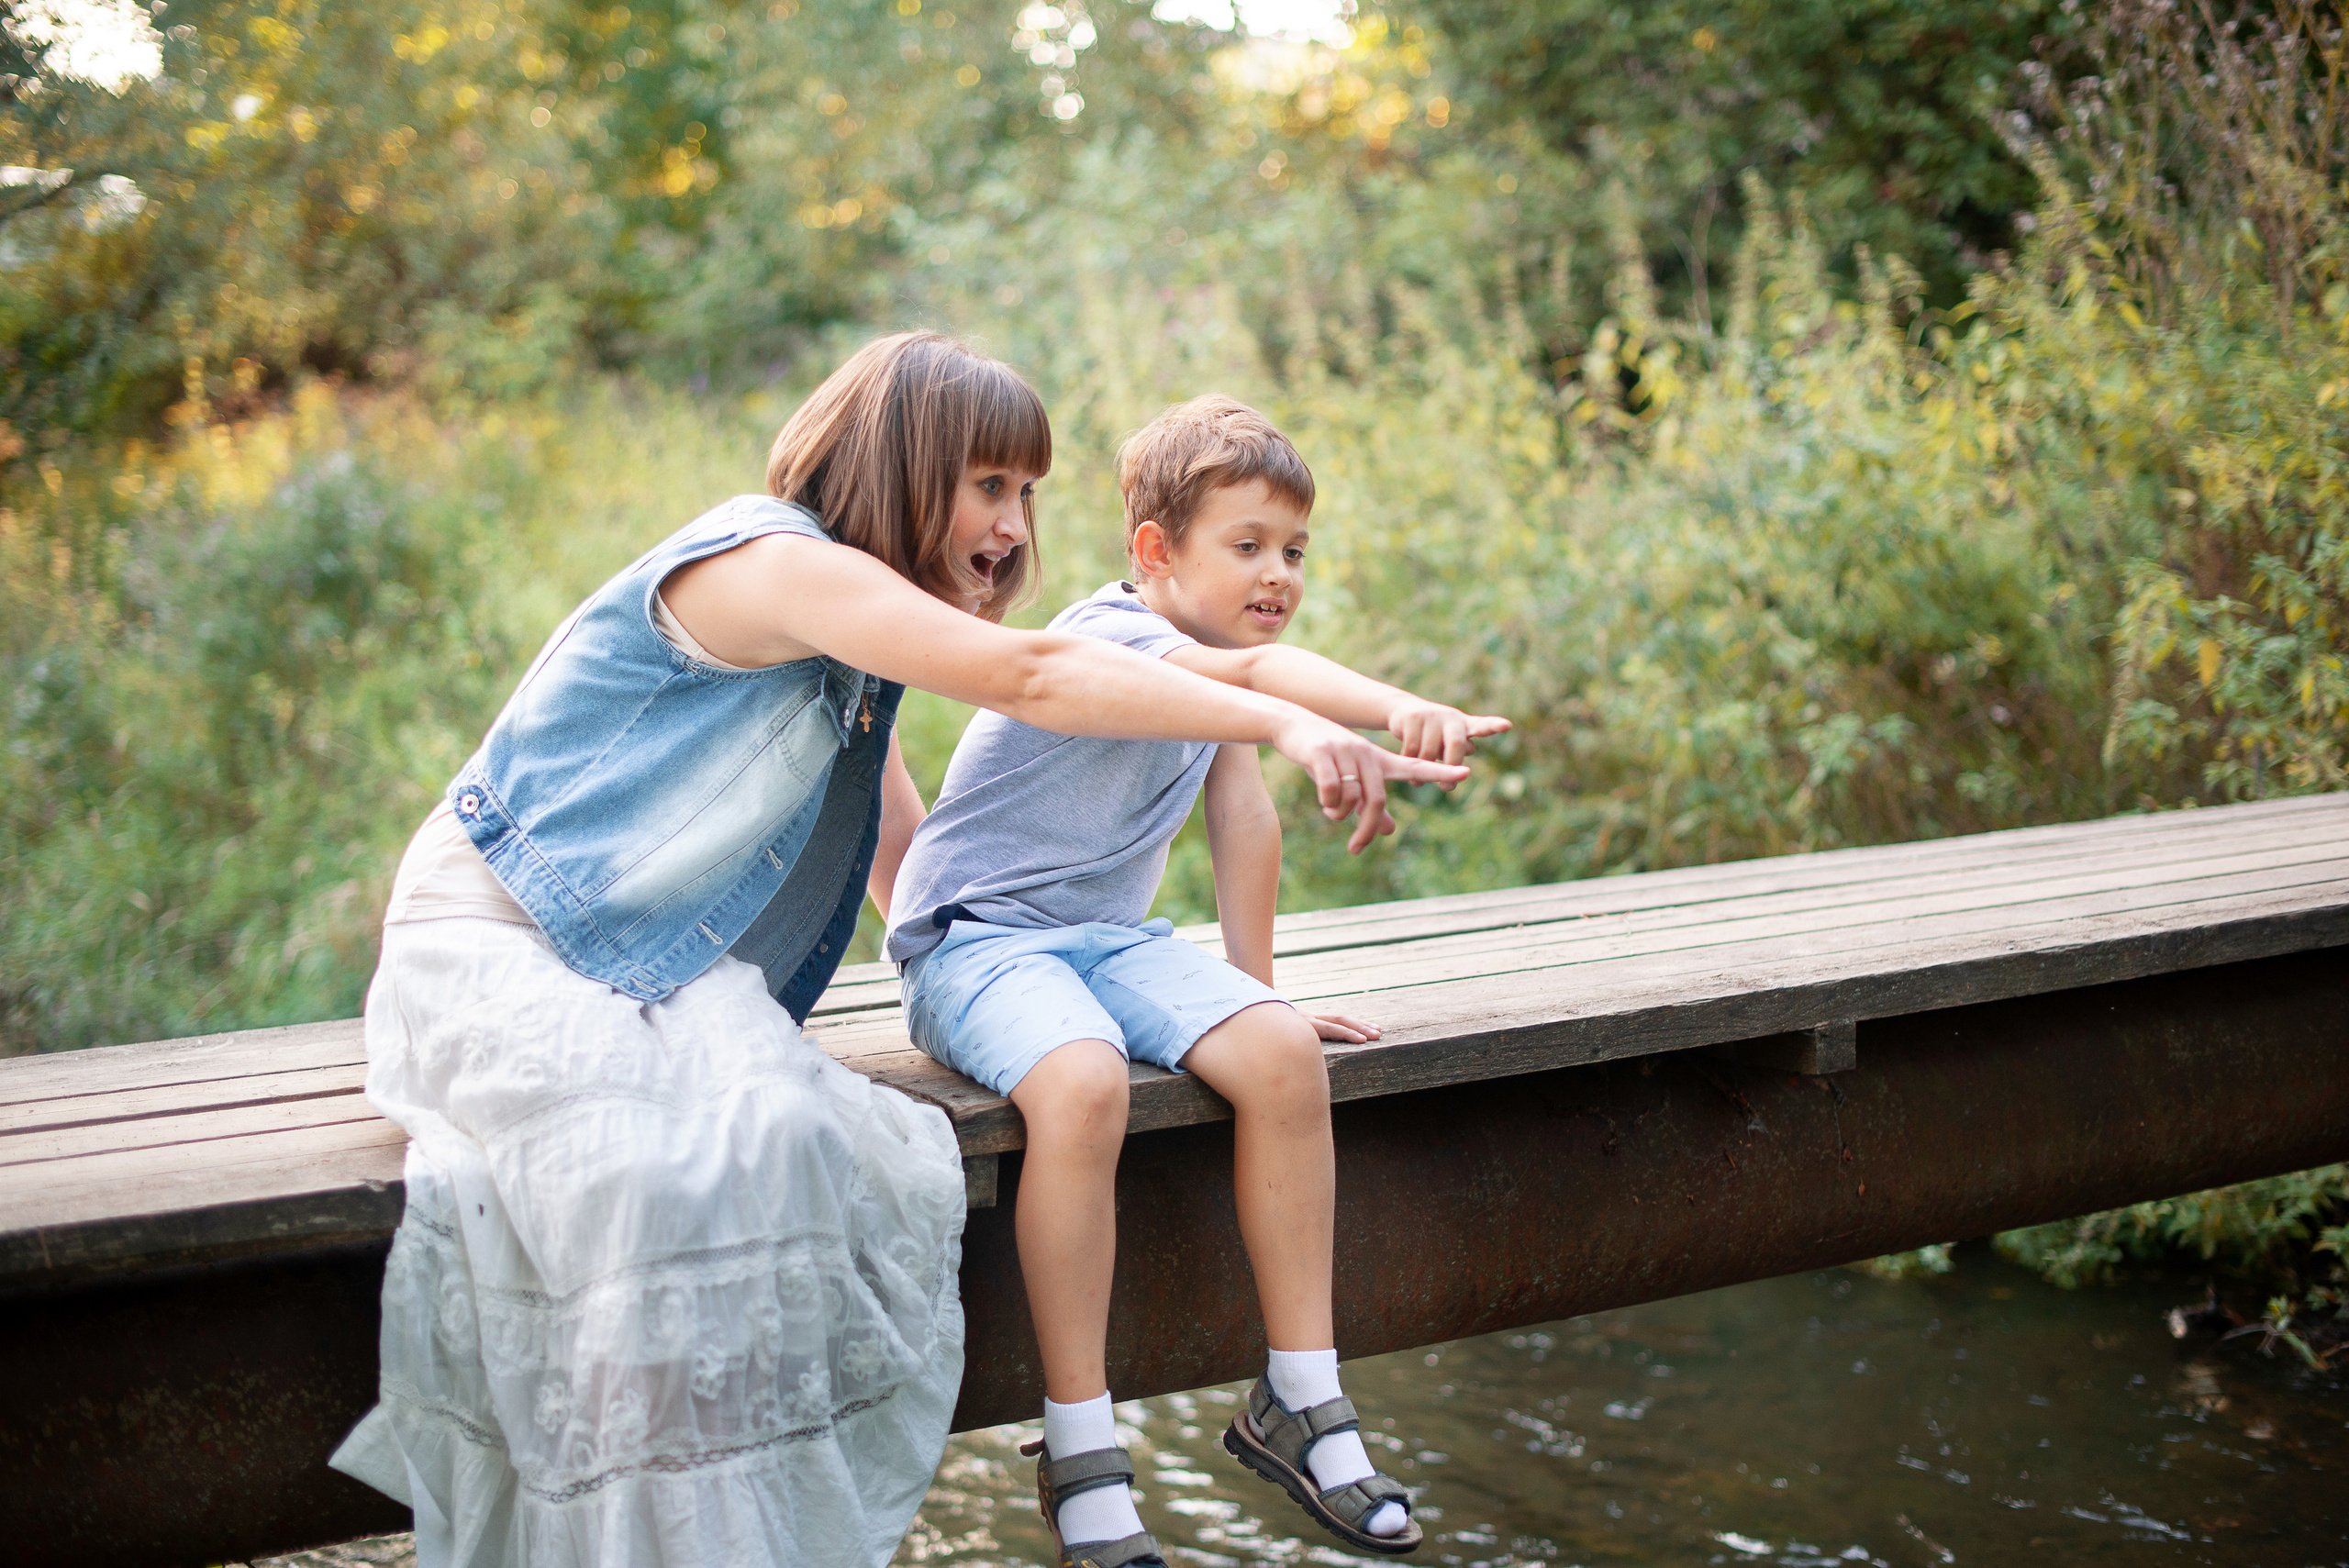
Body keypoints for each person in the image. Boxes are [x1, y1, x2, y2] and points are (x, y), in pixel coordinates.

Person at [328, 339, 1472, 1568]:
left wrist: (957, 958)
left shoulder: (854, 648)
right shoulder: (775, 562)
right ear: (902, 465)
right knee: (684, 1167)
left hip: (626, 954)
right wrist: (1291, 718)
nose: (1016, 524)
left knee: (774, 1138)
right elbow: (1034, 673)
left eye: (1028, 493)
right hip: (504, 931)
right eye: (989, 486)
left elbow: (901, 842)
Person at [885, 395, 1509, 1567]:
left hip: (1109, 942)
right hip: (975, 944)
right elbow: (1271, 670)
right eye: (1247, 546)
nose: (1276, 573)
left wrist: (1250, 997)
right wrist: (1379, 708)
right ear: (1155, 552)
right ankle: (1078, 1444)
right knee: (1079, 1081)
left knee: (1276, 1051)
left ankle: (1300, 1396)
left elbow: (1242, 823)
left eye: (1293, 550)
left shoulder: (1216, 678)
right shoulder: (1112, 634)